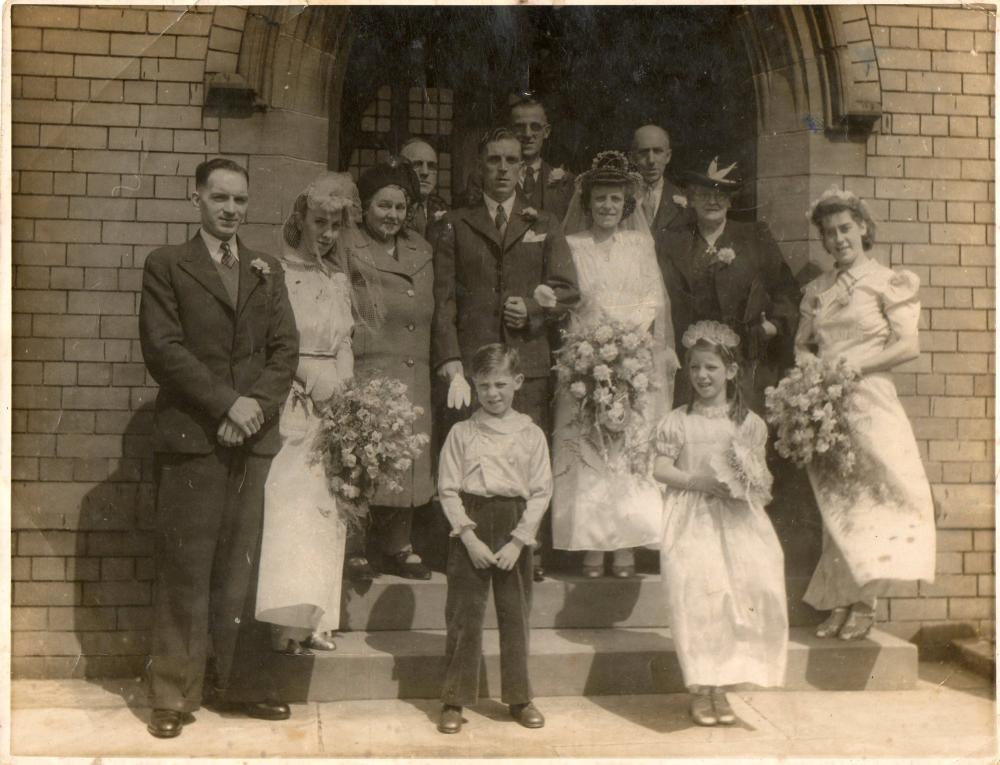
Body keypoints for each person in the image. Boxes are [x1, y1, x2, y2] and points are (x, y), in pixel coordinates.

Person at [139, 158, 299, 738]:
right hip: (192, 441)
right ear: (197, 199)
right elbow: (163, 349)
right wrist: (226, 405)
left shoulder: (267, 270)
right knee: (186, 568)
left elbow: (285, 351)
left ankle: (242, 685)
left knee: (243, 568)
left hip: (251, 441)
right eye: (219, 199)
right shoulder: (167, 266)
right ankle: (173, 696)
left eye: (239, 201)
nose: (230, 210)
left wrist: (251, 409)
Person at [432, 127, 579, 581]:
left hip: (524, 364)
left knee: (524, 457)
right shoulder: (457, 222)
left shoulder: (544, 223)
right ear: (480, 167)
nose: (501, 169)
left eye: (510, 161)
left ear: (522, 167)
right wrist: (450, 359)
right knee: (469, 458)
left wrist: (533, 309)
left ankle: (526, 551)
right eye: (493, 160)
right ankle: (465, 548)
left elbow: (568, 290)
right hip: (475, 367)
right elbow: (443, 299)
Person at [796, 187, 936, 640]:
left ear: (863, 229)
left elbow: (907, 346)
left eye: (845, 228)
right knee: (837, 503)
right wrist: (812, 377)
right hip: (828, 408)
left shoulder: (887, 281)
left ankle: (865, 602)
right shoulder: (818, 290)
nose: (838, 239)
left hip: (872, 402)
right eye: (829, 232)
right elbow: (802, 345)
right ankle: (838, 599)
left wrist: (851, 367)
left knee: (872, 500)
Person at [653, 321, 787, 727]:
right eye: (695, 368)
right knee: (699, 599)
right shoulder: (678, 421)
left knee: (742, 596)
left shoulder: (748, 424)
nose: (702, 376)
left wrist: (746, 484)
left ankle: (722, 688)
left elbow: (759, 476)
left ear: (730, 372)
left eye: (711, 367)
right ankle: (701, 688)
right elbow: (660, 467)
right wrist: (700, 482)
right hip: (692, 519)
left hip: (738, 521)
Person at [552, 150, 677, 577]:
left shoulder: (641, 244)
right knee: (590, 451)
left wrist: (623, 344)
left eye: (615, 200)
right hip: (585, 358)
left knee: (626, 451)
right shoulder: (573, 245)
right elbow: (568, 298)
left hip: (630, 358)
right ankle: (591, 546)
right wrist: (592, 345)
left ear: (627, 204)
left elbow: (652, 298)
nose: (608, 207)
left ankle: (624, 546)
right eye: (601, 199)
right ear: (588, 203)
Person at [254, 173, 359, 655]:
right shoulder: (277, 273)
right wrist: (312, 382)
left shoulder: (336, 279)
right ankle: (284, 624)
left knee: (326, 509)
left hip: (331, 406)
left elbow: (344, 340)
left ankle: (317, 619)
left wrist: (343, 386)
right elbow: (275, 340)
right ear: (301, 220)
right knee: (290, 509)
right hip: (293, 401)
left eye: (335, 225)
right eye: (320, 222)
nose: (328, 234)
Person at [436, 344, 552, 734]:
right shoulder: (462, 432)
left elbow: (540, 492)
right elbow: (448, 490)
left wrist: (519, 541)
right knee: (464, 615)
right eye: (484, 385)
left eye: (501, 384)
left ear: (518, 382)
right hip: (471, 522)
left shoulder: (531, 433)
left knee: (514, 614)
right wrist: (469, 539)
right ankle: (454, 698)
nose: (493, 393)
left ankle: (519, 697)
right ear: (474, 384)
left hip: (514, 523)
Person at [345, 158, 435, 581]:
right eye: (383, 206)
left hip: (412, 366)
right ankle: (356, 547)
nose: (392, 216)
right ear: (364, 207)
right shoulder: (349, 246)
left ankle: (399, 546)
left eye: (400, 208)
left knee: (406, 459)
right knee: (364, 456)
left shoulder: (421, 248)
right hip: (371, 367)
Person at [655, 155, 801, 413]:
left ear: (731, 200)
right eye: (703, 194)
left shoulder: (755, 237)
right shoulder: (671, 242)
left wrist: (772, 326)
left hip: (743, 358)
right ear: (690, 198)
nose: (712, 201)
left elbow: (785, 290)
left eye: (721, 194)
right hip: (691, 363)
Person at [630, 124, 688, 236]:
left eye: (657, 151)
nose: (651, 160)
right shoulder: (621, 196)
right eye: (643, 152)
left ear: (668, 156)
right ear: (632, 158)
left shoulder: (685, 197)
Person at [400, 137, 449, 239]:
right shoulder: (389, 208)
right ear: (401, 169)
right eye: (417, 164)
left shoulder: (443, 208)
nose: (425, 172)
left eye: (431, 166)